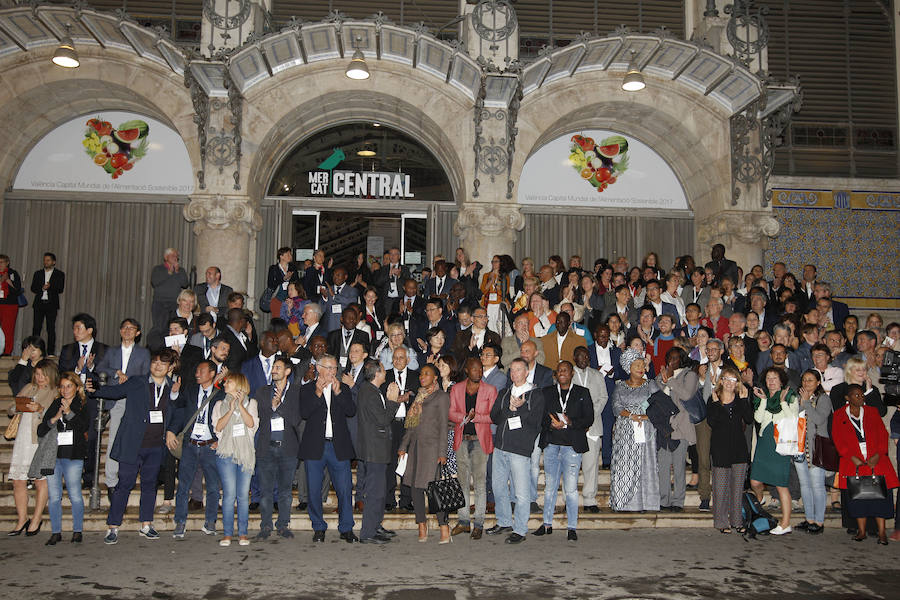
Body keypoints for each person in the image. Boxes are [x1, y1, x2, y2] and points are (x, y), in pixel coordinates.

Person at [90, 349, 180, 544]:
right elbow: (113, 392)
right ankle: (113, 527)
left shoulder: (173, 388)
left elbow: (176, 414)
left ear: (170, 367)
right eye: (155, 361)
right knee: (124, 485)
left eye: (163, 363)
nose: (157, 365)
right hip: (132, 444)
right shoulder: (137, 381)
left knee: (150, 486)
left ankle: (146, 524)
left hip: (156, 446)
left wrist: (171, 429)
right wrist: (93, 388)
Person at [299, 354, 358, 543]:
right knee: (314, 490)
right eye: (329, 368)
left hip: (337, 446)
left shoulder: (343, 388)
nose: (333, 372)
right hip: (315, 446)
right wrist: (317, 393)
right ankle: (318, 527)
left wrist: (339, 392)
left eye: (335, 368)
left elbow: (351, 411)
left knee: (344, 488)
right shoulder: (307, 389)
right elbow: (304, 413)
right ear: (318, 368)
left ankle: (346, 528)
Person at [832, 384, 899, 544]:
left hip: (876, 459)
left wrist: (878, 454)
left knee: (880, 498)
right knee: (857, 499)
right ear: (848, 398)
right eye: (856, 395)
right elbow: (837, 438)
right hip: (853, 461)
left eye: (862, 395)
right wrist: (850, 456)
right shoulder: (839, 415)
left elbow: (883, 434)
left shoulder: (872, 412)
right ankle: (861, 531)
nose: (861, 398)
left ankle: (882, 532)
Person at [489, 358, 545, 544]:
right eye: (512, 370)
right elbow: (494, 416)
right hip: (501, 447)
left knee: (521, 493)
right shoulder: (505, 393)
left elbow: (535, 423)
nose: (514, 374)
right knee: (498, 487)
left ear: (526, 372)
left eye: (518, 370)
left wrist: (519, 410)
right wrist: (510, 408)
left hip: (520, 449)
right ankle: (504, 521)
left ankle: (520, 529)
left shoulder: (535, 395)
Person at [535, 360, 593, 541]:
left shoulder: (582, 393)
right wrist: (552, 424)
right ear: (555, 374)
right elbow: (540, 417)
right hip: (552, 445)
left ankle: (572, 527)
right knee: (550, 487)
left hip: (572, 447)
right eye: (559, 370)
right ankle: (547, 524)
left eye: (565, 370)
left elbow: (589, 418)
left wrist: (569, 422)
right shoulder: (547, 393)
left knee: (571, 489)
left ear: (572, 373)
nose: (562, 373)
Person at [96, 317, 152, 494]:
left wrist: (131, 381)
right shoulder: (111, 351)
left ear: (138, 333)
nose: (128, 331)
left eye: (132, 328)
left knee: (135, 439)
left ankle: (128, 477)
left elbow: (146, 375)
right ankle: (112, 481)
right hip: (117, 399)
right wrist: (116, 373)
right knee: (114, 438)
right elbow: (100, 368)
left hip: (135, 400)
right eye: (125, 328)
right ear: (120, 331)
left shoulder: (143, 353)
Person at [171, 360, 225, 539]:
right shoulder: (191, 390)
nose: (197, 374)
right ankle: (180, 522)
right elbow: (179, 408)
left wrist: (220, 440)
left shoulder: (220, 394)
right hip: (191, 444)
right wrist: (174, 393)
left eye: (201, 371)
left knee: (212, 487)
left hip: (210, 445)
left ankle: (210, 522)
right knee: (184, 486)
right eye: (197, 370)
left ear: (212, 374)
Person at [398, 364, 452, 543]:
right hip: (415, 448)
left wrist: (443, 452)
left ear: (435, 377)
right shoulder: (419, 398)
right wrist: (403, 446)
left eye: (427, 374)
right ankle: (422, 524)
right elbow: (411, 426)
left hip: (433, 448)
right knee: (415, 488)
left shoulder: (441, 397)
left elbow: (444, 426)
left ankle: (444, 526)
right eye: (421, 374)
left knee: (434, 489)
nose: (422, 377)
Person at [38, 372, 90, 544]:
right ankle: (56, 531)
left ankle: (77, 531)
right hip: (54, 455)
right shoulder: (54, 404)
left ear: (76, 387)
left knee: (75, 494)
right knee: (54, 496)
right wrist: (54, 418)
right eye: (62, 386)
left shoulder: (82, 404)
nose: (65, 389)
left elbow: (84, 426)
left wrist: (68, 413)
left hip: (73, 455)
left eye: (69, 386)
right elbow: (41, 430)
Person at [448, 358, 497, 540]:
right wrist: (464, 417)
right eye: (475, 369)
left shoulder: (490, 390)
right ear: (467, 370)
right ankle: (463, 521)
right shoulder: (456, 389)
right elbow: (451, 413)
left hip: (479, 441)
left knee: (480, 484)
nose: (479, 371)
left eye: (481, 368)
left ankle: (478, 524)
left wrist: (475, 418)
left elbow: (493, 416)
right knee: (462, 483)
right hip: (462, 440)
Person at [253, 356, 302, 539]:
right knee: (265, 491)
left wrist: (279, 406)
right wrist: (272, 408)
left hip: (288, 449)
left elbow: (297, 419)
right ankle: (265, 526)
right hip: (266, 448)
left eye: (278, 367)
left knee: (285, 492)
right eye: (273, 367)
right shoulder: (262, 392)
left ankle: (283, 525)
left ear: (287, 371)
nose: (274, 370)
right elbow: (259, 418)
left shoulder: (296, 392)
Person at [7, 358, 56, 537]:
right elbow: (11, 409)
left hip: (39, 439)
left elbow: (54, 416)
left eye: (43, 374)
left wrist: (40, 409)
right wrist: (17, 408)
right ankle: (22, 519)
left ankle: (36, 519)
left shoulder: (54, 391)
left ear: (51, 375)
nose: (40, 377)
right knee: (18, 480)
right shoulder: (29, 387)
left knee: (39, 480)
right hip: (22, 438)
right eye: (37, 374)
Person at [356, 359, 403, 544]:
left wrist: (392, 400)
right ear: (376, 374)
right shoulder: (369, 392)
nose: (386, 372)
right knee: (375, 492)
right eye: (383, 370)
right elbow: (383, 420)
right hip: (373, 451)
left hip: (377, 450)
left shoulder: (372, 391)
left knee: (380, 491)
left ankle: (375, 525)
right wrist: (392, 401)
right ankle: (368, 532)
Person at [610, 348, 660, 512]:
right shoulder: (620, 386)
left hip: (645, 428)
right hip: (625, 430)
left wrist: (645, 417)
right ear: (628, 368)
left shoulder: (651, 384)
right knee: (625, 465)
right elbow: (616, 407)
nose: (641, 368)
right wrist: (631, 415)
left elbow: (660, 405)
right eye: (637, 365)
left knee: (645, 464)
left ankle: (647, 502)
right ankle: (624, 502)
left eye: (643, 365)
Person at [750, 367, 799, 535]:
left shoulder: (789, 395)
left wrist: (783, 402)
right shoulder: (763, 396)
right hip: (765, 442)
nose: (771, 381)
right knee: (755, 481)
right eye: (768, 378)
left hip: (781, 443)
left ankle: (785, 524)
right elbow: (758, 419)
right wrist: (763, 401)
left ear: (781, 380)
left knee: (781, 485)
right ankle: (760, 500)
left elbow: (793, 419)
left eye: (775, 378)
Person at [212, 373, 258, 547]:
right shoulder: (219, 405)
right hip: (226, 453)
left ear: (238, 384)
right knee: (229, 495)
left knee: (243, 496)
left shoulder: (252, 403)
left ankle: (243, 533)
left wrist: (240, 406)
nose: (225, 384)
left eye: (228, 381)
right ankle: (228, 534)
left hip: (246, 454)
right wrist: (231, 409)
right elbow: (218, 427)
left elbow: (252, 424)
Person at [706, 366, 753, 533]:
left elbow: (748, 419)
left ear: (737, 383)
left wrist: (744, 400)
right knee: (720, 488)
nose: (729, 383)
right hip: (720, 449)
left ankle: (737, 521)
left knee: (737, 488)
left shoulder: (740, 400)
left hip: (739, 449)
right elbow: (712, 421)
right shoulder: (713, 400)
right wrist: (717, 403)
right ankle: (721, 522)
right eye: (726, 379)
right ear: (721, 381)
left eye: (733, 380)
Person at [654, 347, 698, 512]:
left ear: (682, 359)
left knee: (679, 466)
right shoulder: (661, 376)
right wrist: (665, 381)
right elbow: (657, 396)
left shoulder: (689, 375)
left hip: (681, 427)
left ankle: (678, 501)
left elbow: (686, 395)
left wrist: (671, 381)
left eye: (675, 358)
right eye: (669, 358)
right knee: (663, 466)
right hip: (664, 428)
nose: (672, 362)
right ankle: (663, 500)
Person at [794, 369, 833, 534]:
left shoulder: (823, 399)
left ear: (818, 382)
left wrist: (806, 403)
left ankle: (819, 521)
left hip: (816, 448)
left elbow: (818, 419)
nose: (806, 383)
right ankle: (809, 518)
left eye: (810, 380)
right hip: (800, 447)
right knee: (805, 485)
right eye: (804, 380)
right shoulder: (797, 399)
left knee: (817, 486)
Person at [572, 345, 608, 512]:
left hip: (593, 426)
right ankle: (570, 498)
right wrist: (578, 419)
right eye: (581, 356)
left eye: (587, 357)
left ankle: (589, 499)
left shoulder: (597, 375)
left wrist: (590, 415)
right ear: (574, 357)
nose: (584, 359)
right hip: (572, 427)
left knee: (591, 464)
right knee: (571, 465)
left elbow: (603, 396)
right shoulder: (568, 374)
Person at [150, 248, 189, 346]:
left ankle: (174, 348)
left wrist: (176, 271)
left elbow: (185, 284)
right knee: (159, 327)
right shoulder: (158, 269)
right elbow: (155, 282)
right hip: (160, 304)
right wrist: (169, 273)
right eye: (173, 256)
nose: (175, 258)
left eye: (177, 256)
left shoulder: (181, 270)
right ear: (166, 257)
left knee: (174, 326)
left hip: (174, 303)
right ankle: (159, 347)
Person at [30, 252, 65, 356]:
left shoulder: (59, 274)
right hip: (39, 303)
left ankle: (50, 352)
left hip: (51, 304)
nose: (46, 262)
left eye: (48, 260)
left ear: (53, 262)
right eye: (45, 260)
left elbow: (60, 289)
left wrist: (50, 287)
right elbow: (33, 288)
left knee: (50, 328)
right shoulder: (38, 273)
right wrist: (42, 288)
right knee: (36, 327)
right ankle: (34, 350)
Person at [267, 246, 299, 319]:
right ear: (281, 256)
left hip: (290, 298)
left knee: (290, 319)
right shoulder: (273, 269)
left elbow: (297, 282)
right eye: (288, 255)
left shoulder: (293, 268)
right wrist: (283, 279)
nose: (290, 256)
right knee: (277, 319)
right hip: (277, 297)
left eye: (290, 254)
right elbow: (270, 284)